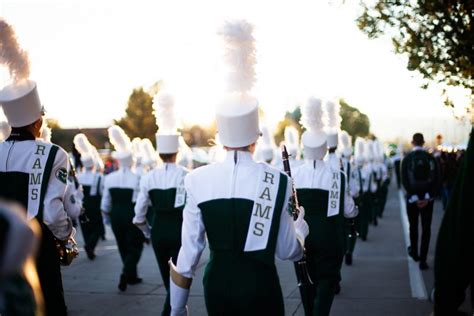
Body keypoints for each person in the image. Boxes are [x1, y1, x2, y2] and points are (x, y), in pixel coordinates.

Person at [169, 20, 308, 316]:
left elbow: (189, 253)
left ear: (220, 137)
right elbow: (288, 251)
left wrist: (177, 307)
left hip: (217, 286)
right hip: (262, 287)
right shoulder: (278, 180)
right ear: (256, 138)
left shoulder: (196, 180)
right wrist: (301, 228)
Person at [0, 78, 75, 315]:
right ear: (38, 121)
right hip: (37, 243)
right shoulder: (54, 153)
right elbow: (52, 213)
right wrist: (66, 237)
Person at [294, 97, 358, 316]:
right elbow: (349, 210)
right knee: (327, 283)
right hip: (330, 239)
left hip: (303, 239)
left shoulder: (293, 175)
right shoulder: (337, 176)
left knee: (306, 282)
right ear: (323, 148)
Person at [133, 92, 189, 316]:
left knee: (169, 282)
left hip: (158, 233)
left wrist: (148, 232)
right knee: (178, 283)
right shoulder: (186, 175)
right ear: (177, 151)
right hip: (178, 232)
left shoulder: (147, 177)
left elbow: (138, 215)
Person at [101, 126, 145, 291]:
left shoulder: (110, 178)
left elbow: (105, 203)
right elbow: (140, 202)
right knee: (136, 246)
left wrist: (106, 218)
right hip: (131, 213)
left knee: (123, 246)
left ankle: (131, 276)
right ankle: (127, 273)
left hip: (116, 215)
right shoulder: (138, 177)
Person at [401, 133, 440, 270]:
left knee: (413, 226)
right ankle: (423, 259)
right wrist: (427, 196)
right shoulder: (430, 158)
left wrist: (415, 197)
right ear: (423, 143)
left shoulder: (407, 158)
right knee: (426, 228)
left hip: (412, 199)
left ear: (412, 142)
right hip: (427, 198)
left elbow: (404, 180)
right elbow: (437, 178)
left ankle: (415, 253)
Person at [74, 133, 104, 260]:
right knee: (97, 228)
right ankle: (90, 246)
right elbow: (102, 192)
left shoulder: (78, 176)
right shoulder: (98, 177)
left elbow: (75, 192)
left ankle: (88, 245)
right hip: (95, 205)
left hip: (82, 204)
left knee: (85, 228)